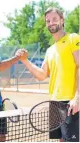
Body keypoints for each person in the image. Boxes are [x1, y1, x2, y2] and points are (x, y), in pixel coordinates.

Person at [16, 7, 79, 142]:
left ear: (62, 20)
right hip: (54, 103)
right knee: (61, 140)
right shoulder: (50, 50)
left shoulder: (73, 38)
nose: (51, 23)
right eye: (48, 21)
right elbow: (42, 75)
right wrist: (24, 60)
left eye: (54, 19)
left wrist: (77, 98)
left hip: (71, 102)